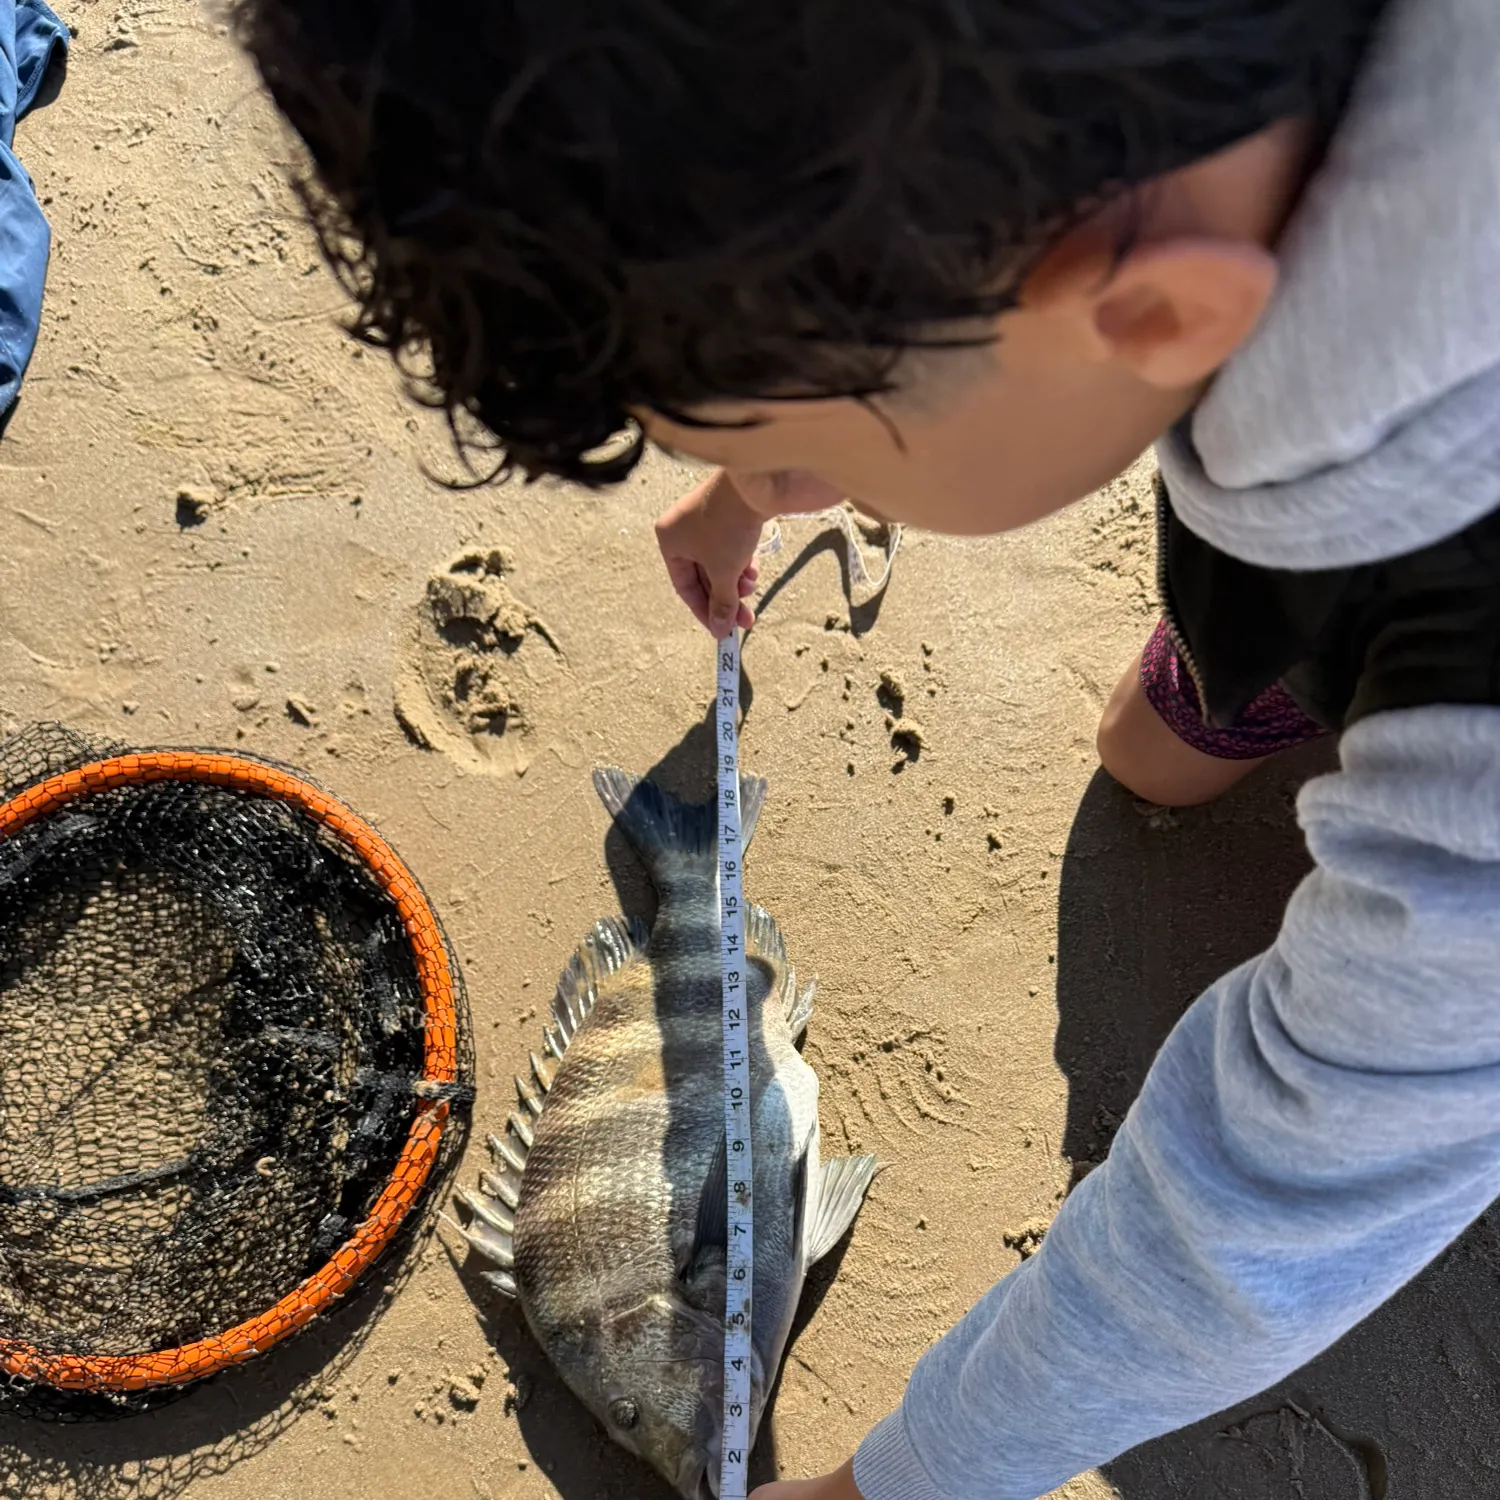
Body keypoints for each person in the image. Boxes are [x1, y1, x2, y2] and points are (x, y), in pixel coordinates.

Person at [233, 0, 1500, 1495]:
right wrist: (765, 479)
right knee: (1152, 755)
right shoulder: (1178, 141)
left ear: (1155, 316)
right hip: (1344, 485)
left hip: (1428, 619)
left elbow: (1263, 1207)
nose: (763, 477)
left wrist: (897, 1480)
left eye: (800, 445)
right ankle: (1277, 660)